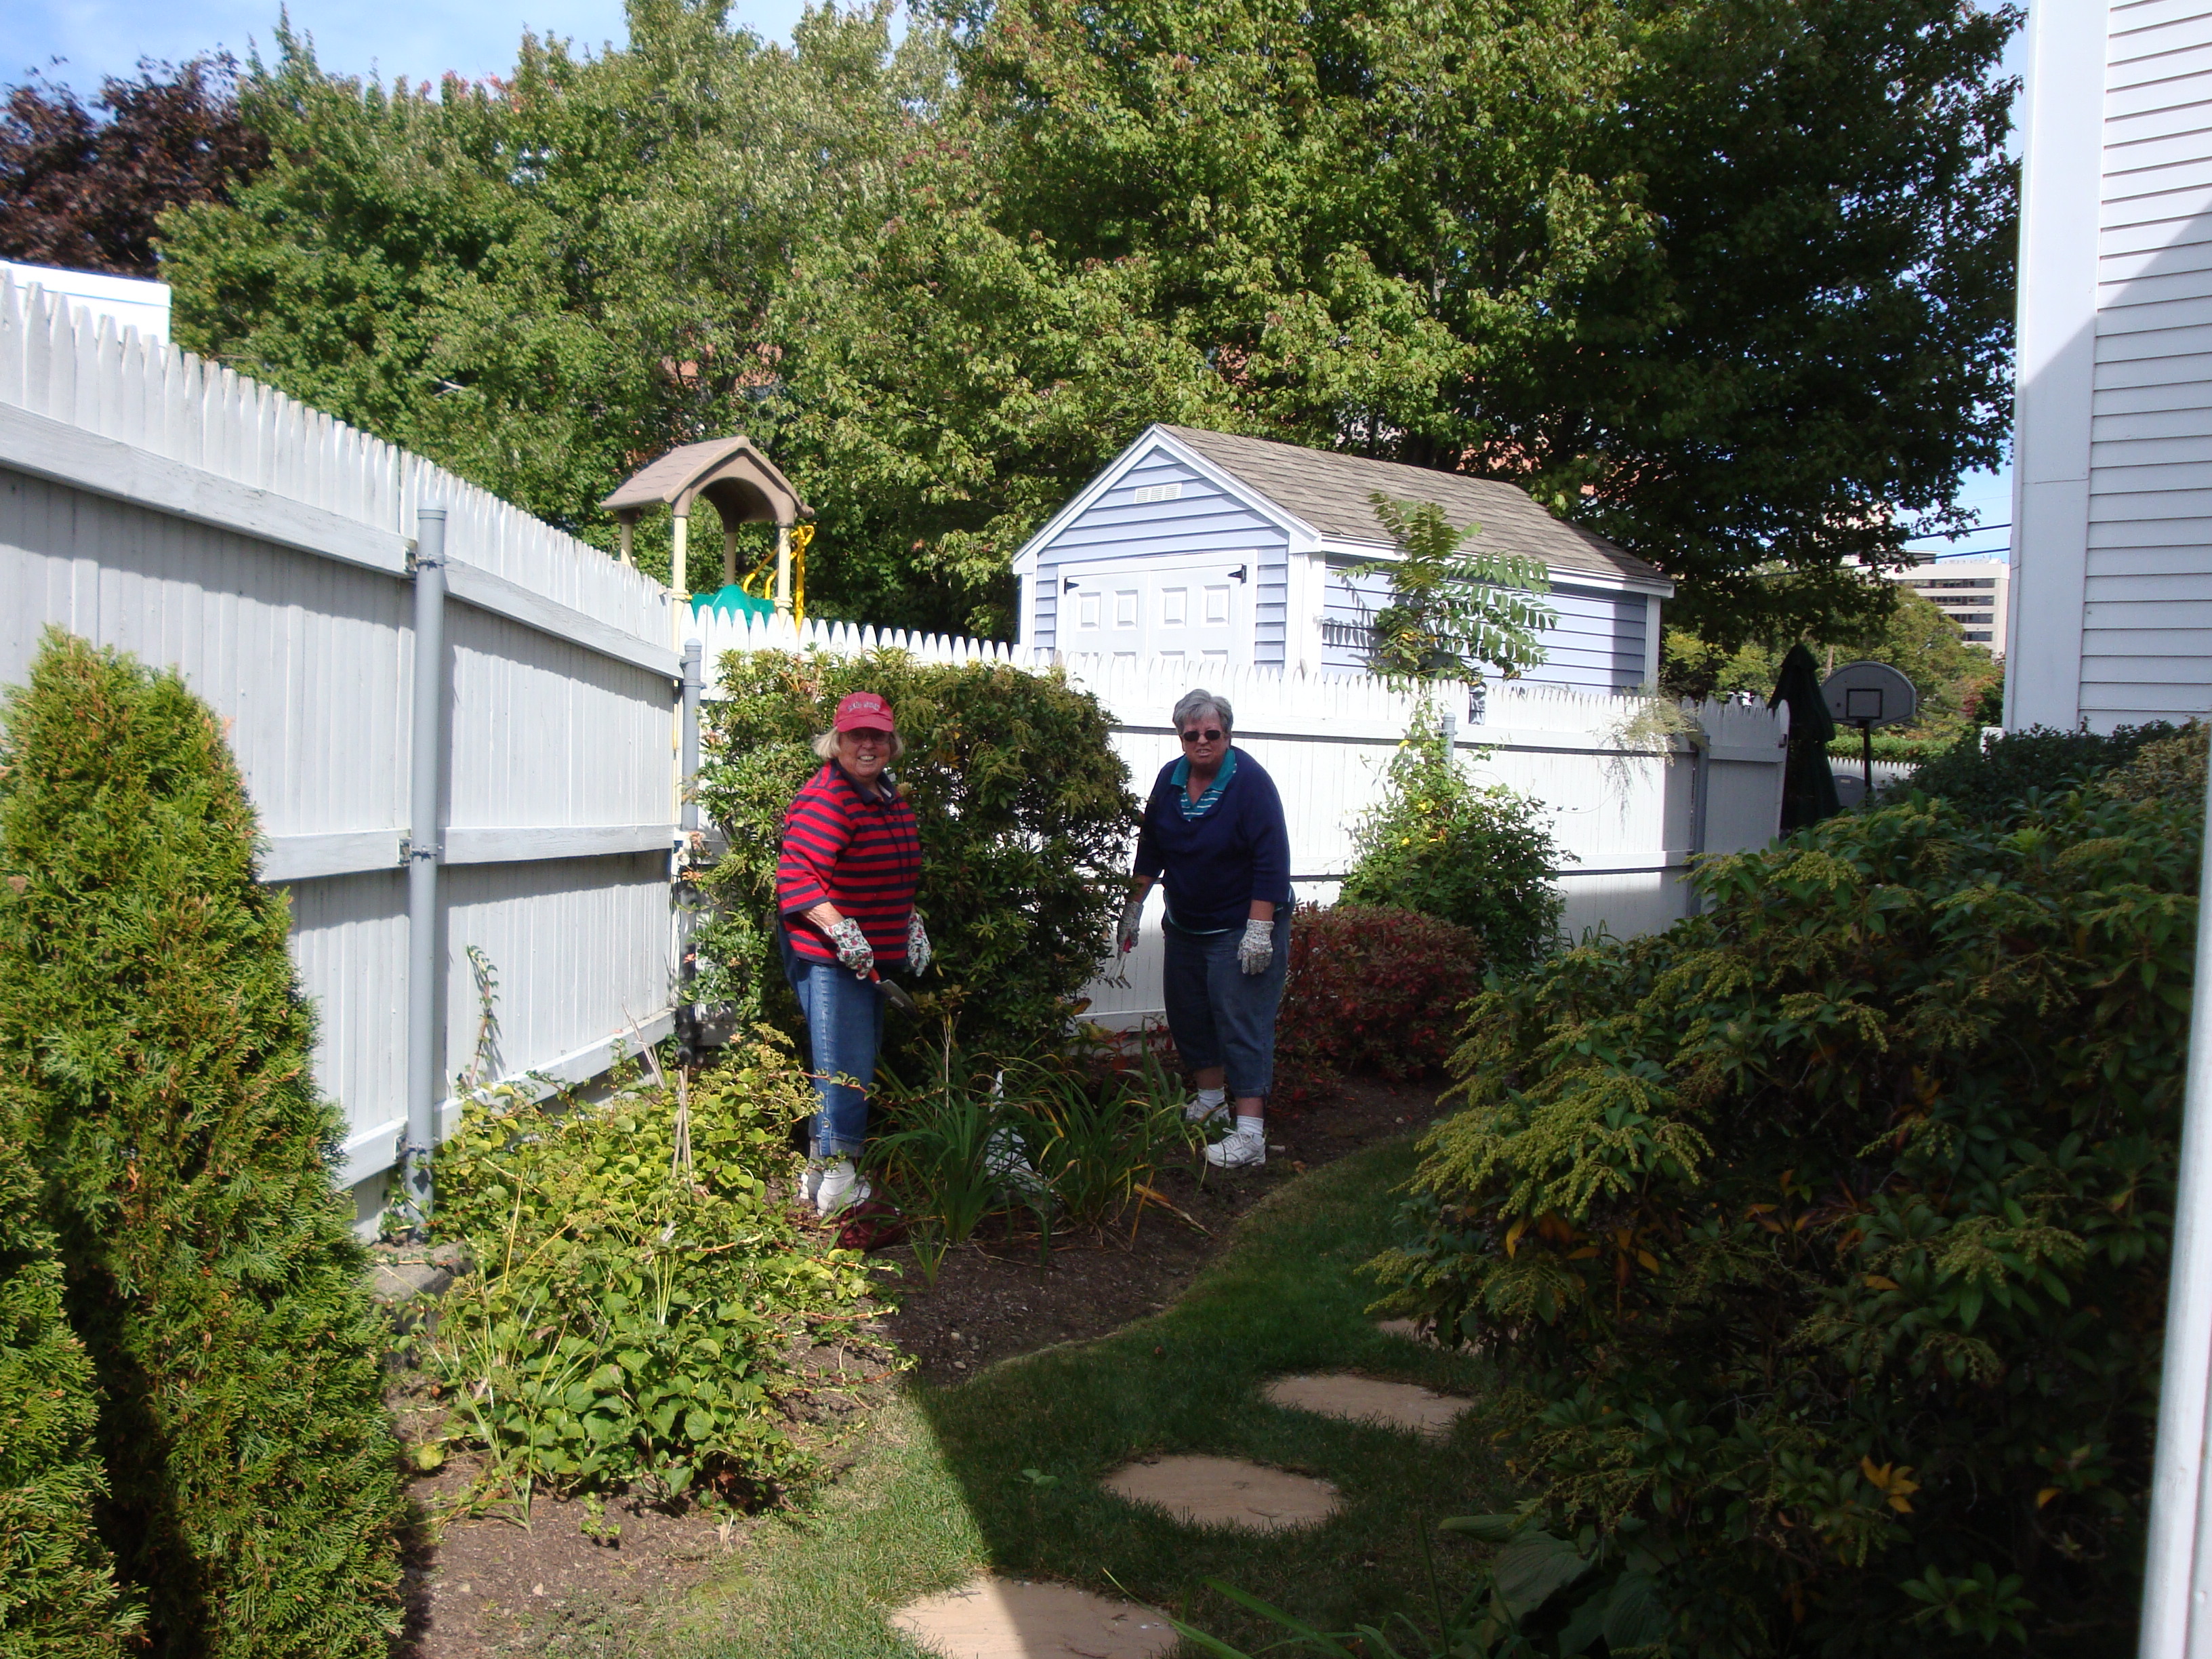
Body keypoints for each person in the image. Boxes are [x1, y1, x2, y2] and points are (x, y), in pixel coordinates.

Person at [1118, 689, 1291, 1169]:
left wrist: (1260, 930)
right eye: (1191, 734)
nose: (1201, 741)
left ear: (1228, 734)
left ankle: (1250, 1133)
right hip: (1187, 924)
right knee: (1190, 1014)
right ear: (1180, 736)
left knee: (1242, 1021)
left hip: (1240, 925)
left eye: (1212, 733)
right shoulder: (1169, 782)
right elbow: (1150, 849)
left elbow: (1271, 862)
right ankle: (1211, 1103)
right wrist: (1133, 908)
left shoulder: (1251, 783)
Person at [776, 691, 929, 1216]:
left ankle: (817, 1177)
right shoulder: (829, 799)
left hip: (870, 960)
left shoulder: (884, 795)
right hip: (832, 961)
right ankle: (840, 1182)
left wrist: (910, 919)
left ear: (891, 741)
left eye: (878, 735)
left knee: (843, 1064)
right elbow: (797, 880)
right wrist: (844, 934)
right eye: (857, 735)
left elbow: (891, 870)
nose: (868, 745)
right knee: (845, 1066)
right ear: (836, 741)